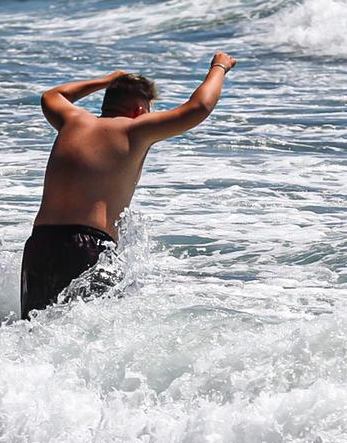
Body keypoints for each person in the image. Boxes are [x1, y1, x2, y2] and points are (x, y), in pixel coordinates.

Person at [22, 52, 237, 319]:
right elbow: (199, 107)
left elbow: (52, 95)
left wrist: (107, 79)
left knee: (32, 331)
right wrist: (220, 67)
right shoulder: (134, 129)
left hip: (40, 243)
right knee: (88, 338)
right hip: (86, 247)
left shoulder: (71, 121)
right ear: (139, 110)